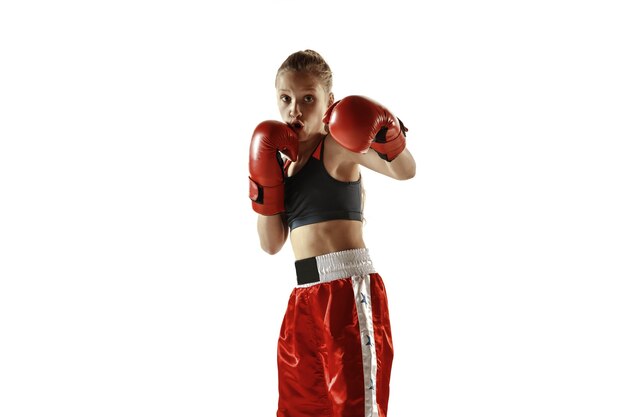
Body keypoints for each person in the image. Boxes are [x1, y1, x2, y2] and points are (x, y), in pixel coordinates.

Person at [248, 49, 416, 417]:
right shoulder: (281, 164)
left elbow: (405, 171)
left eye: (308, 98)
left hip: (346, 291)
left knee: (354, 408)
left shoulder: (337, 146)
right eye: (286, 98)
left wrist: (388, 129)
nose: (295, 109)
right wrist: (263, 181)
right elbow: (271, 244)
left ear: (329, 104)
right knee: (301, 410)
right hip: (304, 298)